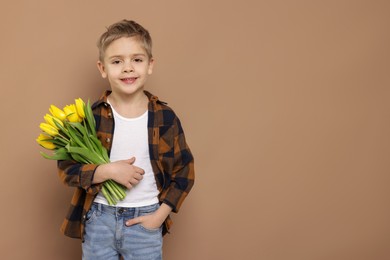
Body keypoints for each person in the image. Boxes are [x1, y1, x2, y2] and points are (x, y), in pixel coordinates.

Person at [57, 19, 195, 259]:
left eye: (137, 60)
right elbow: (67, 168)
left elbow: (185, 172)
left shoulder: (165, 117)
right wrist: (107, 171)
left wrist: (159, 217)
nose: (128, 68)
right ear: (102, 68)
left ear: (150, 65)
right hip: (99, 219)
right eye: (117, 61)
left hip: (146, 220)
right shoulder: (90, 117)